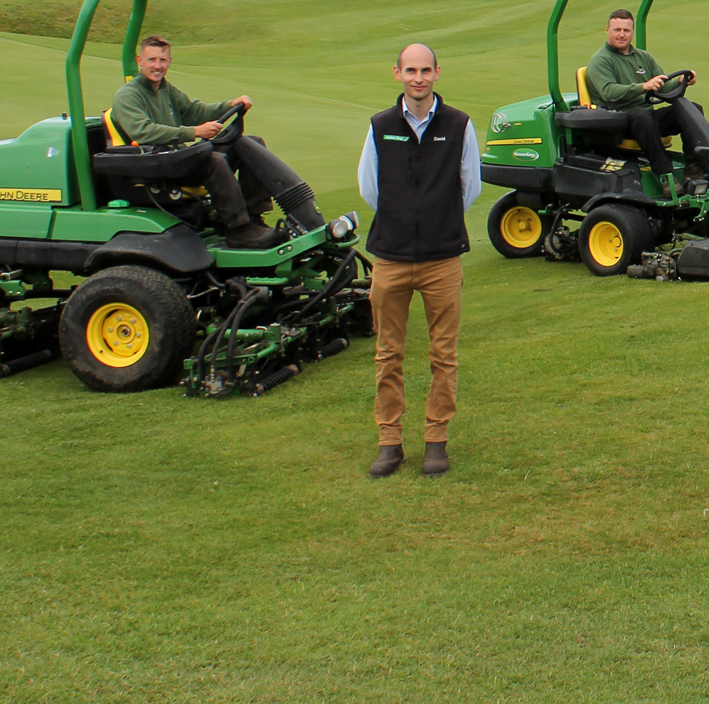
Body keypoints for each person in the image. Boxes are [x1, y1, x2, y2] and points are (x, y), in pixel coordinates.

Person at [357, 43, 481, 478]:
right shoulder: (380, 126)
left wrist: (433, 221)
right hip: (390, 257)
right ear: (397, 74)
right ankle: (389, 441)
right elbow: (370, 189)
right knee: (388, 353)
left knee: (442, 354)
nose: (418, 78)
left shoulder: (459, 125)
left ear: (437, 73)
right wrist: (403, 220)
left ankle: (436, 440)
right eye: (411, 70)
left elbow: (471, 186)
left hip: (442, 257)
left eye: (425, 70)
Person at [108, 35, 323, 248]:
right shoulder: (129, 95)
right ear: (139, 61)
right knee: (214, 161)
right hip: (158, 163)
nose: (157, 66)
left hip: (175, 157)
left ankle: (253, 216)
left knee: (249, 144)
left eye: (162, 60)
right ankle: (237, 229)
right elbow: (143, 132)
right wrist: (195, 132)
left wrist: (229, 105)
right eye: (152, 60)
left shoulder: (165, 89)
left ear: (170, 62)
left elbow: (194, 111)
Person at [586, 8, 709, 191]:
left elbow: (663, 85)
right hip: (618, 121)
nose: (621, 34)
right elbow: (608, 92)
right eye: (617, 30)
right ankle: (665, 175)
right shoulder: (601, 60)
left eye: (626, 30)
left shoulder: (643, 57)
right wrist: (642, 87)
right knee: (642, 117)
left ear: (632, 31)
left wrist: (681, 82)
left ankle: (694, 167)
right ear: (607, 30)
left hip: (646, 119)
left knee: (691, 109)